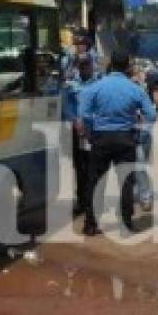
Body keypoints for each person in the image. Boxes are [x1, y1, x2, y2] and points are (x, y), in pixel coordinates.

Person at [78, 49, 156, 235]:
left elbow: (83, 114)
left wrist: (89, 133)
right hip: (126, 139)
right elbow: (151, 115)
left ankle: (91, 224)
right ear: (128, 66)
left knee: (95, 182)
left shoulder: (96, 87)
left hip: (101, 138)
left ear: (110, 64)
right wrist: (138, 131)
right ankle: (127, 224)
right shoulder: (134, 88)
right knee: (126, 183)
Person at [62, 50, 100, 215]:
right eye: (82, 65)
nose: (85, 68)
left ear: (92, 65)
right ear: (77, 66)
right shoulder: (71, 84)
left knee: (95, 166)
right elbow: (66, 106)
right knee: (80, 167)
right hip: (78, 131)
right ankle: (82, 200)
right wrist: (74, 119)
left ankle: (94, 200)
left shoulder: (99, 82)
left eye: (88, 65)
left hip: (95, 129)